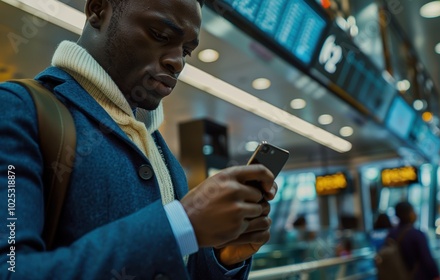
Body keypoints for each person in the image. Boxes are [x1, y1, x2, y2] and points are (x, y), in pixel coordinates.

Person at [0, 0, 278, 279]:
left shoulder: (160, 151)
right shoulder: (17, 109)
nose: (177, 62)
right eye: (160, 35)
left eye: (186, 51)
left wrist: (220, 259)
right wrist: (181, 225)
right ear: (97, 10)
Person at [386, 201, 440, 280]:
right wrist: (436, 275)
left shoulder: (391, 234)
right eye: (413, 211)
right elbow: (427, 259)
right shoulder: (416, 234)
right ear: (410, 214)